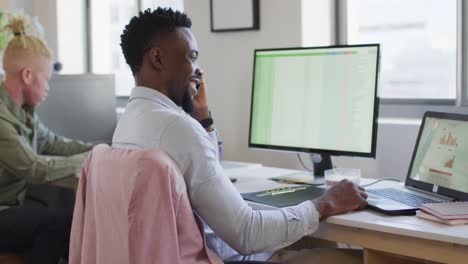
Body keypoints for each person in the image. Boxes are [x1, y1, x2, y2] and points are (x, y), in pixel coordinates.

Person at [114, 8, 368, 263]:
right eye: (192, 57)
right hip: (224, 257)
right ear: (157, 58)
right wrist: (327, 203)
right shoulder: (177, 128)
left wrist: (203, 118)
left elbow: (199, 170)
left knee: (309, 239)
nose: (197, 69)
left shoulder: (128, 124)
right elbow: (247, 234)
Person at [0, 13, 93, 263]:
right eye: (47, 80)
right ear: (28, 75)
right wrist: (90, 160)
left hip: (10, 207)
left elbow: (53, 143)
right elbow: (34, 168)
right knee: (59, 224)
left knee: (56, 219)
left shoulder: (22, 112)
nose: (49, 88)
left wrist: (103, 149)